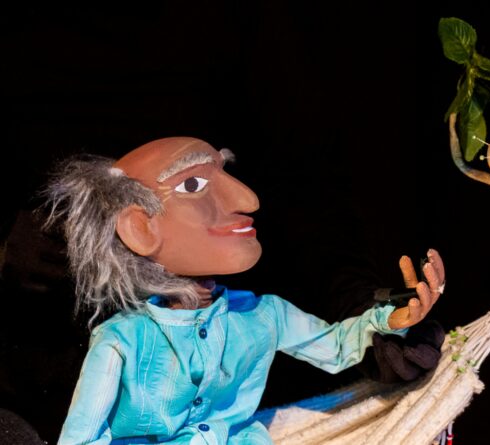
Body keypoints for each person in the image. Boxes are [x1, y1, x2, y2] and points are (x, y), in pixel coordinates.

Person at [40, 136, 445, 444]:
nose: (247, 200)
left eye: (226, 173)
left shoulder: (263, 316)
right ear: (139, 228)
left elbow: (338, 346)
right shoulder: (121, 341)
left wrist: (393, 317)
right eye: (194, 184)